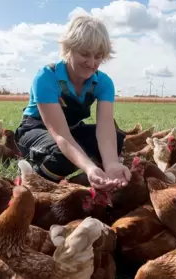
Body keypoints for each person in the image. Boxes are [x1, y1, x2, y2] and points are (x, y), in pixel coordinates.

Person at [14, 15, 131, 191]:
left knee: (117, 139)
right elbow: (60, 134)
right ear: (69, 48)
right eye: (84, 54)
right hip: (36, 129)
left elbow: (105, 127)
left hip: (72, 128)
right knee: (64, 155)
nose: (92, 63)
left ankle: (90, 173)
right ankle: (35, 181)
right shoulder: (47, 77)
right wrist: (89, 167)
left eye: (98, 56)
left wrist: (112, 164)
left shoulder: (103, 82)